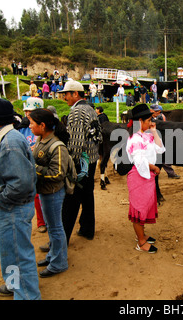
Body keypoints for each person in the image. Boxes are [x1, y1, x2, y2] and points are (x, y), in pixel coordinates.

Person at [0, 98, 40, 300]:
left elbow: (21, 184)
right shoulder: (4, 137)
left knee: (19, 255)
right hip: (8, 207)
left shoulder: (9, 142)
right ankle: (14, 285)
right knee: (10, 252)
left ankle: (28, 296)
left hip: (11, 208)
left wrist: (0, 202)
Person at [59, 80, 102, 244]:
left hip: (80, 164)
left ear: (75, 94)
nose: (65, 98)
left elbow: (76, 144)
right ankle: (87, 229)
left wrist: (72, 166)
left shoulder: (76, 112)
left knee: (71, 201)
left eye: (66, 94)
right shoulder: (90, 109)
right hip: (91, 160)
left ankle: (62, 239)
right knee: (87, 195)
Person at [29, 108, 70, 278]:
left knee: (55, 228)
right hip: (45, 192)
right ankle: (53, 256)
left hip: (53, 192)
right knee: (53, 227)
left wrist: (33, 167)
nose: (30, 126)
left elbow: (58, 174)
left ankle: (59, 263)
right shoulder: (41, 140)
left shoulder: (57, 146)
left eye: (32, 123)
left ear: (42, 125)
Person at [126, 104, 165, 253]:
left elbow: (160, 149)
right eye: (149, 120)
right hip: (139, 175)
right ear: (140, 121)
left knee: (145, 206)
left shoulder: (147, 136)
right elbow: (139, 161)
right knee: (139, 209)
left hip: (147, 176)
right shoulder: (134, 139)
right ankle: (141, 242)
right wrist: (154, 168)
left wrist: (154, 132)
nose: (151, 122)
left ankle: (141, 235)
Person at [17, 97, 47, 233]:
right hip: (28, 165)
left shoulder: (46, 126)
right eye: (27, 111)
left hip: (45, 165)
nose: (28, 114)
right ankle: (41, 221)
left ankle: (50, 219)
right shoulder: (22, 129)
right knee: (35, 195)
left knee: (47, 193)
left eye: (31, 111)